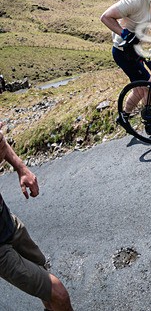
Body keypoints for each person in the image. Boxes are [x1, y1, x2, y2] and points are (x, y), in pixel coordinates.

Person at [0, 120, 73, 311]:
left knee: (44, 278)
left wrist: (20, 167)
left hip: (8, 223)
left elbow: (0, 142)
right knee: (58, 293)